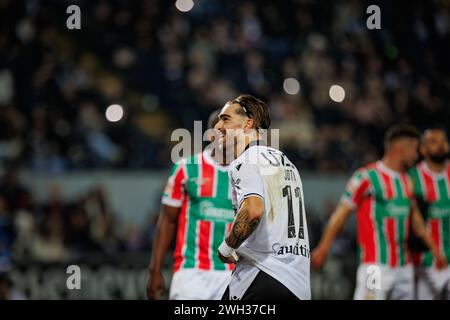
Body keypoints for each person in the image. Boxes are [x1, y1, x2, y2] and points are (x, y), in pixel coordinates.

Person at [311, 124, 447, 300]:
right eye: (414, 149)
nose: (416, 155)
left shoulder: (407, 180)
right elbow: (341, 213)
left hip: (404, 267)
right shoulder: (366, 177)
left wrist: (435, 250)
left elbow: (416, 221)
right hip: (374, 266)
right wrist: (323, 247)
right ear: (401, 149)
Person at [215, 94, 310, 300]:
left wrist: (227, 247)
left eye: (225, 119)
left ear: (248, 122)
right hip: (298, 283)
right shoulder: (287, 163)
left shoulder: (245, 161)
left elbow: (253, 211)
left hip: (261, 274)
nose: (218, 126)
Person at [146, 110, 234, 300]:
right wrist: (155, 270)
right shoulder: (187, 168)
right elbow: (167, 220)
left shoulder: (248, 174)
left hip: (234, 274)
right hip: (191, 273)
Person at [409, 126, 450, 299]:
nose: (440, 145)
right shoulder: (412, 177)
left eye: (444, 141)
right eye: (433, 142)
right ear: (422, 149)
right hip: (423, 263)